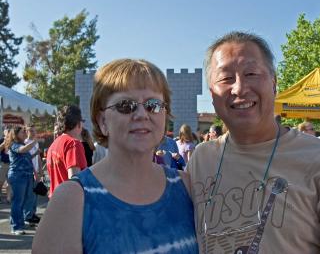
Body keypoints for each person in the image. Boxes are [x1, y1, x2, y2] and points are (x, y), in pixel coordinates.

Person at [187, 31, 320, 253]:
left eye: (251, 73)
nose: (239, 88)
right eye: (226, 78)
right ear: (212, 93)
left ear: (274, 83)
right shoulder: (202, 159)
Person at [33, 58, 198, 253]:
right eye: (125, 105)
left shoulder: (188, 188)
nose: (142, 114)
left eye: (153, 105)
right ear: (102, 121)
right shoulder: (72, 199)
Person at [46, 105, 87, 197]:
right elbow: (74, 180)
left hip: (55, 200)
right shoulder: (73, 143)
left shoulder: (53, 145)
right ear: (78, 124)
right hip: (68, 202)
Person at [5, 126, 38, 235]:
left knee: (24, 202)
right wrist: (34, 142)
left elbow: (28, 159)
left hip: (27, 176)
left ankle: (20, 224)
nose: (25, 133)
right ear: (16, 134)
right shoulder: (14, 144)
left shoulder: (24, 144)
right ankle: (15, 227)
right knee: (18, 202)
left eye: (25, 131)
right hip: (18, 176)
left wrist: (35, 174)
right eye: (23, 132)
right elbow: (22, 150)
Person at [24, 125, 43, 225]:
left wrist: (40, 170)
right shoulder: (26, 143)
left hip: (36, 172)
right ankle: (28, 216)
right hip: (29, 172)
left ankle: (33, 213)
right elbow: (28, 158)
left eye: (34, 131)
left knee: (35, 194)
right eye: (31, 131)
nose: (33, 133)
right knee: (30, 195)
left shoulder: (36, 143)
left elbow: (38, 157)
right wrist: (35, 172)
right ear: (27, 132)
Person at [0, 128, 11, 203]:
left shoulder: (13, 141)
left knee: (9, 183)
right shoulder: (1, 140)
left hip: (12, 164)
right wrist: (4, 143)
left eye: (9, 132)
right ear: (4, 132)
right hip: (3, 164)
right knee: (0, 182)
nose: (8, 134)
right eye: (7, 132)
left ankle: (8, 198)